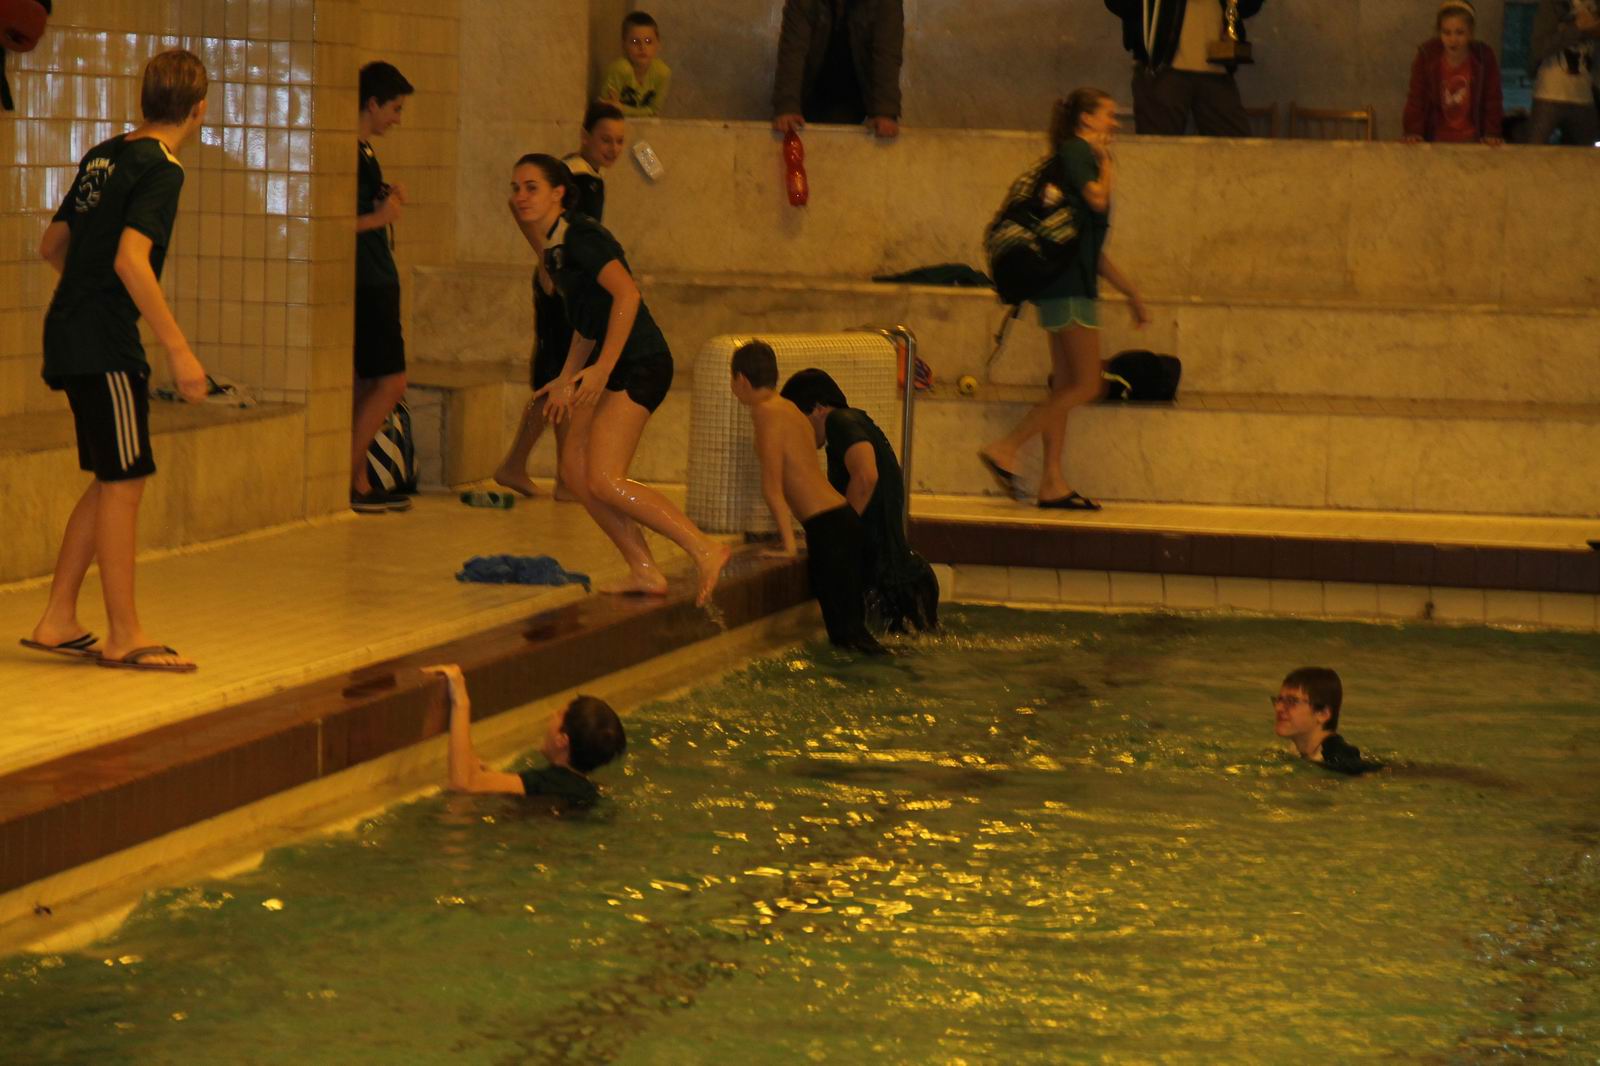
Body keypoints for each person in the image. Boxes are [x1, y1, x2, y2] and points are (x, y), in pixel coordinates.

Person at [23, 49, 209, 674]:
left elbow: (53, 244)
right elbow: (132, 260)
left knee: (110, 478)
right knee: (125, 482)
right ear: (199, 109)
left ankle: (58, 618)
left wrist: (85, 293)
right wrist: (179, 349)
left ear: (144, 99)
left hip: (68, 330)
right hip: (105, 343)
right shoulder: (163, 167)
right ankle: (124, 633)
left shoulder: (104, 154)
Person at [510, 154, 730, 605]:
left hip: (641, 363)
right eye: (516, 188)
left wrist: (603, 369)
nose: (520, 197)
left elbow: (628, 294)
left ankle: (705, 548)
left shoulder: (583, 236)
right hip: (610, 365)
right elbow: (586, 325)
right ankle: (644, 570)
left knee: (606, 479)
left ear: (559, 193)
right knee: (575, 473)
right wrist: (565, 378)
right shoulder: (555, 251)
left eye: (531, 187)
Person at [979, 89, 1149, 512]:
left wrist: (1130, 292)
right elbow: (1097, 198)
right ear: (1086, 120)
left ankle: (1052, 482)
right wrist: (1106, 162)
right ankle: (1007, 447)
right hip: (1069, 288)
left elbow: (1090, 247)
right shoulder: (1079, 151)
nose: (1115, 123)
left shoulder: (1073, 155)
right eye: (1108, 115)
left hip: (1065, 285)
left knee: (1065, 385)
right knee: (1089, 384)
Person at [494, 101, 627, 500]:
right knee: (559, 377)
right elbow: (529, 214)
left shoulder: (585, 175)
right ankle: (555, 472)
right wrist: (546, 259)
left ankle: (533, 467)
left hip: (565, 282)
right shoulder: (577, 176)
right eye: (605, 139)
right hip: (561, 286)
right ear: (585, 137)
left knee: (561, 376)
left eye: (620, 141)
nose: (613, 148)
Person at [732, 343, 887, 654]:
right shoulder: (790, 409)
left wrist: (788, 545)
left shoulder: (764, 413)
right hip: (843, 519)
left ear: (742, 380)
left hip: (828, 528)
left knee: (845, 639)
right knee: (855, 635)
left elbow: (773, 487)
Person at [779, 368, 939, 634]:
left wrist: (837, 538)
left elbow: (865, 477)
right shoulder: (854, 426)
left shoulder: (840, 421)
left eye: (798, 420)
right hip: (904, 578)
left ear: (818, 409)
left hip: (893, 584)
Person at [350, 61, 414, 514]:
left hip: (373, 276)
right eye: (394, 109)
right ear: (372, 104)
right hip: (368, 280)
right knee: (392, 382)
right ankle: (348, 480)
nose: (397, 119)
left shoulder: (364, 151)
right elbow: (332, 223)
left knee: (366, 383)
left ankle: (360, 479)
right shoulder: (350, 153)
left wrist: (382, 199)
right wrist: (380, 217)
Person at [422, 664, 625, 806]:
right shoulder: (589, 792)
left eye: (558, 714)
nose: (551, 715)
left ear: (562, 741)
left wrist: (460, 699)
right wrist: (490, 777)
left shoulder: (544, 782)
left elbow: (463, 785)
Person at [1103, 0, 1263, 136]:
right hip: (1161, 68)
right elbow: (1119, 4)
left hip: (1218, 68)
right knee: (1158, 151)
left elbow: (1249, 6)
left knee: (1236, 150)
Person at [772, 0, 903, 139]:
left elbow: (887, 54)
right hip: (809, 97)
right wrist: (787, 106)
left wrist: (885, 112)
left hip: (859, 102)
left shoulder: (886, 3)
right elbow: (792, 51)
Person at [1403, 2, 1506, 145]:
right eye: (1447, 33)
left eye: (1460, 32)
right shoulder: (1427, 56)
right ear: (1439, 33)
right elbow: (1416, 99)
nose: (1453, 40)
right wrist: (1413, 131)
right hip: (1435, 140)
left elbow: (1492, 99)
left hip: (1473, 140)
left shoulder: (1484, 57)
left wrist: (1492, 132)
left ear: (1470, 32)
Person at [1272, 667, 1382, 775]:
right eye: (1279, 700)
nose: (1279, 708)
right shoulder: (1296, 750)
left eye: (1291, 701)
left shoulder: (1337, 758)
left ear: (1323, 714)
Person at [1526, 0, 1600, 146]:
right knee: (1534, 151)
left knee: (1585, 153)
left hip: (1583, 94)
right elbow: (1539, 47)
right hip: (1549, 93)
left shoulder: (1595, 5)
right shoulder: (1554, 5)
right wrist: (1577, 28)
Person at [600, 11, 670, 117]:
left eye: (648, 41)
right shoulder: (620, 70)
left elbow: (654, 111)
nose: (642, 47)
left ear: (658, 44)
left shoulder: (663, 73)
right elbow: (607, 109)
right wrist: (643, 112)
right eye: (634, 41)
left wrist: (622, 109)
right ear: (624, 44)